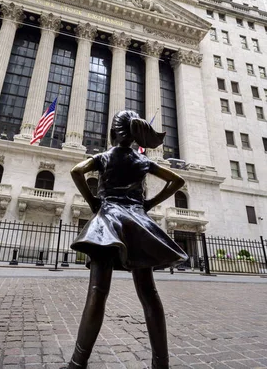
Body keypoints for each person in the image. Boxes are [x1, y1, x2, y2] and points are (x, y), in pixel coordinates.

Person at [61, 110, 188, 369]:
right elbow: (177, 181)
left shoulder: (104, 157)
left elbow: (76, 171)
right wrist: (149, 203)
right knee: (149, 293)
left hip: (107, 222)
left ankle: (77, 363)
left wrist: (93, 200)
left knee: (97, 293)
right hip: (137, 222)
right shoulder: (143, 162)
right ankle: (160, 364)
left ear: (113, 133)